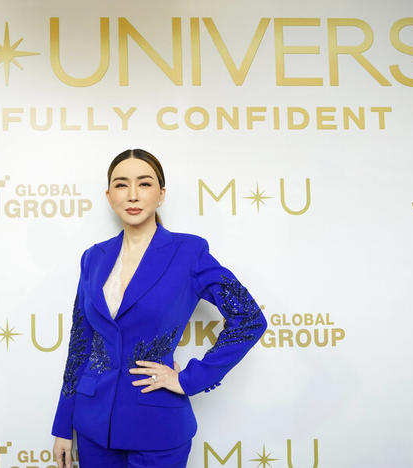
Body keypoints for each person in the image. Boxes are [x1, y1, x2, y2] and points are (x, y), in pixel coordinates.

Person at [51, 149, 268, 467]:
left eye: (145, 183)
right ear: (110, 195)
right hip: (92, 426)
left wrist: (190, 378)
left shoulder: (189, 251)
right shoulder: (93, 258)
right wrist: (63, 426)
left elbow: (249, 318)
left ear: (161, 194)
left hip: (157, 428)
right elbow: (79, 346)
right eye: (122, 185)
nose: (133, 194)